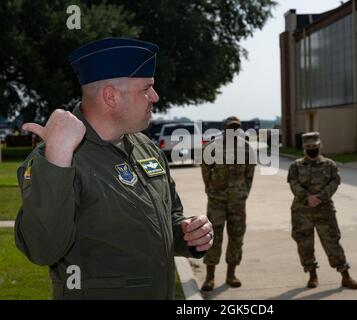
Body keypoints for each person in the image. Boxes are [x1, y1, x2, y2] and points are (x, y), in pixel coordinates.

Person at [14, 37, 213, 300]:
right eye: (146, 89)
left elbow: (169, 216)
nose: (155, 96)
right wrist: (58, 158)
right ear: (111, 96)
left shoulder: (146, 147)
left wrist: (188, 233)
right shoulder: (56, 157)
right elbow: (42, 249)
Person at [287, 132, 357, 290]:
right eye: (308, 147)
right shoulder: (296, 166)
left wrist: (321, 197)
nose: (312, 149)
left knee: (332, 243)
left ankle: (345, 276)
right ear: (303, 148)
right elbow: (293, 183)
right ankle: (312, 276)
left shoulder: (330, 165)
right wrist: (307, 197)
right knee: (304, 244)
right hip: (302, 211)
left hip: (325, 210)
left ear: (320, 145)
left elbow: (335, 182)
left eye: (314, 146)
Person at [200, 116, 256, 291]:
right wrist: (210, 189)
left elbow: (250, 173)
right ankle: (210, 277)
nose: (233, 130)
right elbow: (205, 169)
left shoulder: (246, 148)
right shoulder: (212, 147)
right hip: (216, 200)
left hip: (237, 201)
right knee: (213, 238)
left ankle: (231, 274)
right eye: (230, 127)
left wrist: (244, 191)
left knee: (237, 237)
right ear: (224, 128)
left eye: (236, 127)